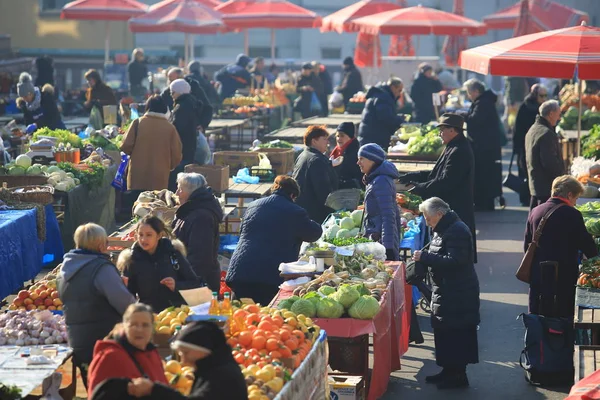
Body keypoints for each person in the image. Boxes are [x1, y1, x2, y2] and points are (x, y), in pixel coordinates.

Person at [413, 197, 480, 390]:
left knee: (456, 334)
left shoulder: (457, 230)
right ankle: (448, 371)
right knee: (445, 333)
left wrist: (425, 257)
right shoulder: (444, 228)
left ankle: (457, 375)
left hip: (458, 291)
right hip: (446, 289)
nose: (426, 222)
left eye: (428, 217)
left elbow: (455, 261)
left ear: (440, 214)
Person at [57, 223, 136, 388]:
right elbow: (125, 303)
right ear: (101, 245)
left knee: (94, 388)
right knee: (112, 390)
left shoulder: (65, 270)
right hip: (104, 340)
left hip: (78, 341)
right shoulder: (100, 268)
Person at [226, 176, 322, 304]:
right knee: (264, 319)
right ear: (292, 195)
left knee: (240, 317)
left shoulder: (253, 206)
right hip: (268, 277)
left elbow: (242, 231)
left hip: (240, 272)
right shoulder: (295, 212)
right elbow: (314, 233)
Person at [399, 113, 477, 262]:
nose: (440, 134)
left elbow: (445, 181)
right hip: (450, 207)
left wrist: (420, 188)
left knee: (454, 255)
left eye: (442, 130)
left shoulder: (459, 151)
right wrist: (414, 175)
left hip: (455, 208)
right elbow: (437, 172)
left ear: (452, 130)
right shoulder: (453, 146)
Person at [526, 176, 598, 318]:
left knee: (538, 315)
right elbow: (586, 244)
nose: (575, 203)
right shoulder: (572, 214)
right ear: (569, 195)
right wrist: (595, 261)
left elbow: (527, 244)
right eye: (576, 199)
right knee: (561, 317)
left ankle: (538, 338)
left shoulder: (535, 211)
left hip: (539, 273)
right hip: (563, 275)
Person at [126, 321, 247, 400]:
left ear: (206, 350)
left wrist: (154, 390)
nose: (183, 361)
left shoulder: (224, 376)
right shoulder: (211, 368)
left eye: (186, 353)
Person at [118, 216, 203, 312]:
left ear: (159, 235)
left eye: (149, 235)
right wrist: (122, 288)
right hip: (149, 315)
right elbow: (130, 296)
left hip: (177, 313)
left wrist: (176, 285)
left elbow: (194, 283)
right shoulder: (131, 260)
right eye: (140, 235)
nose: (143, 239)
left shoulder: (173, 253)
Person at [87, 303, 168, 397]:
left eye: (145, 325)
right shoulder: (110, 357)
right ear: (124, 326)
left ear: (152, 328)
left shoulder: (152, 353)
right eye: (133, 324)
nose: (139, 329)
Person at [172, 173, 223, 292]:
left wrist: (187, 283)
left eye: (180, 189)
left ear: (191, 192)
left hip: (198, 285)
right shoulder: (189, 211)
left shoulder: (201, 217)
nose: (176, 193)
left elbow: (199, 258)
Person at [120, 95, 182, 191]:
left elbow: (125, 146)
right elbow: (176, 155)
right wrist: (167, 166)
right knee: (156, 204)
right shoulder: (170, 128)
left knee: (136, 203)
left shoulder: (138, 123)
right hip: (159, 177)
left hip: (137, 176)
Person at [461, 79, 503, 211]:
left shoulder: (483, 103)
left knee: (484, 175)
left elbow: (475, 120)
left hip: (485, 147)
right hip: (486, 145)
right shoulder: (484, 101)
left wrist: (463, 116)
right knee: (485, 174)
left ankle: (484, 202)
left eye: (469, 92)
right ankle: (483, 201)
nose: (469, 96)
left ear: (476, 91)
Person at [357, 144, 401, 261]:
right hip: (375, 240)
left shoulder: (381, 181)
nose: (358, 162)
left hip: (381, 243)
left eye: (361, 159)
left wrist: (388, 248)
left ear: (372, 160)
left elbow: (388, 216)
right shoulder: (373, 179)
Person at [292, 125, 339, 223]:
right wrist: (334, 213)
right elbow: (323, 192)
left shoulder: (303, 155)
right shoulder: (317, 160)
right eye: (324, 139)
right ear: (314, 141)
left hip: (301, 210)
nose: (328, 142)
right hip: (315, 215)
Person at [525, 100, 565, 210]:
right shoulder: (546, 133)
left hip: (536, 184)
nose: (559, 117)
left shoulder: (533, 129)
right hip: (546, 187)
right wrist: (561, 179)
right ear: (551, 114)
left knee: (534, 219)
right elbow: (550, 163)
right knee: (543, 220)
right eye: (558, 114)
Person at [514, 84, 548, 206]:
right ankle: (525, 197)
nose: (544, 98)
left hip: (536, 144)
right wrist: (516, 148)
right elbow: (518, 128)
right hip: (525, 144)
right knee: (525, 171)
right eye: (541, 95)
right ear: (534, 95)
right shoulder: (526, 106)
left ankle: (531, 196)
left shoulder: (543, 107)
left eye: (545, 95)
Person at [168, 79, 200, 191]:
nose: (171, 95)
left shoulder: (181, 108)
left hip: (181, 149)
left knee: (177, 182)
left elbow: (175, 129)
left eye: (172, 92)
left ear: (180, 92)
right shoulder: (191, 103)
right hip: (189, 147)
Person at [357, 77, 405, 150]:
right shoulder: (383, 98)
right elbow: (386, 118)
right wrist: (401, 121)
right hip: (374, 139)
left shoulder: (380, 95)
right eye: (399, 90)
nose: (399, 94)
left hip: (370, 137)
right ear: (393, 87)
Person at [330, 122, 362, 189]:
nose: (339, 139)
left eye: (342, 136)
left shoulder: (355, 153)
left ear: (350, 137)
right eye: (337, 136)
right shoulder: (336, 151)